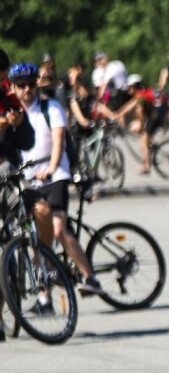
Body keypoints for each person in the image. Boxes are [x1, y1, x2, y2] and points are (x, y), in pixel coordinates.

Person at [9, 64, 102, 296]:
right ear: (12, 87)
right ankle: (45, 297)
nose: (27, 90)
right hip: (29, 180)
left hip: (54, 175)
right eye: (21, 86)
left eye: (31, 84)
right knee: (35, 237)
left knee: (58, 229)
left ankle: (91, 279)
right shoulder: (11, 114)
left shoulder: (51, 108)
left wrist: (51, 168)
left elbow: (59, 141)